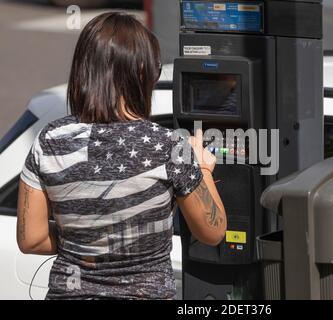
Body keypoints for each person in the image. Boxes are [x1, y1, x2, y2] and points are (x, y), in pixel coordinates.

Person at [16, 12, 226, 300]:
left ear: (83, 69)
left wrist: (86, 239)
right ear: (142, 73)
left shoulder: (49, 141)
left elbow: (32, 239)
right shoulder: (169, 146)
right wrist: (202, 168)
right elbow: (212, 232)